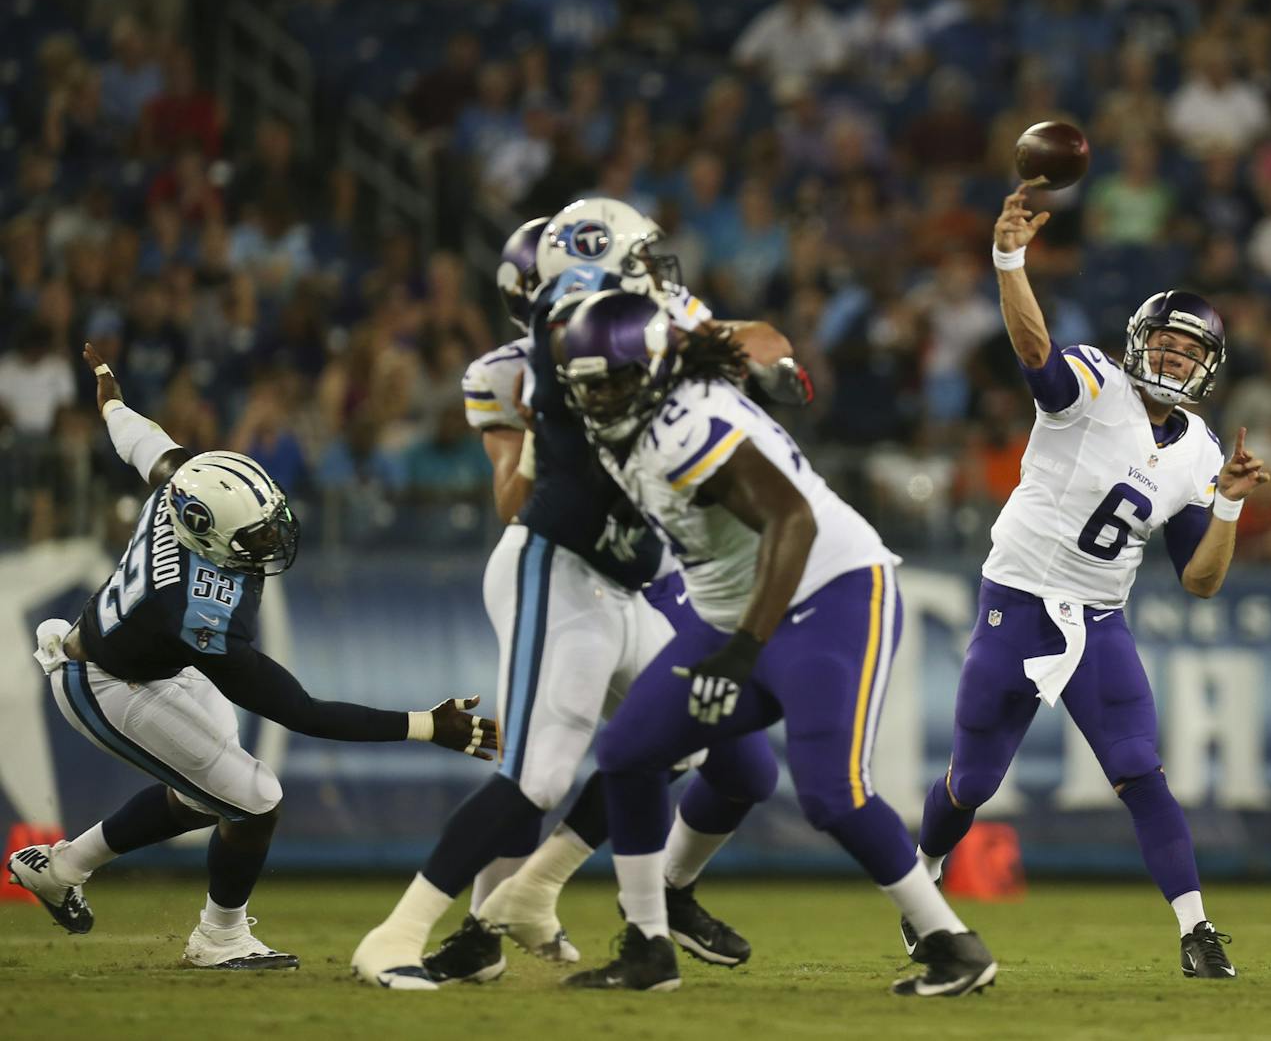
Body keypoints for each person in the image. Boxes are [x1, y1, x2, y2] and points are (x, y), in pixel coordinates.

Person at [352, 206, 790, 990]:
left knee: (679, 739)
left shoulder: (653, 319)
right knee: (539, 774)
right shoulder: (552, 342)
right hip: (556, 562)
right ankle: (397, 933)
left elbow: (755, 337)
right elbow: (517, 495)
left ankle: (531, 892)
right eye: (639, 262)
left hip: (629, 580)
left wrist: (745, 355)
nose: (660, 277)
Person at [554, 289, 996, 997]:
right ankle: (647, 944)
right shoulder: (639, 398)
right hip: (730, 606)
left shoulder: (682, 424)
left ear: (654, 370)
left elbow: (793, 520)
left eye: (614, 381)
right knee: (629, 753)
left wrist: (740, 650)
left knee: (833, 792)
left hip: (831, 591)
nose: (602, 398)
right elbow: (745, 338)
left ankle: (952, 944)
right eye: (590, 385)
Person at [6, 344, 496, 970]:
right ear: (207, 534)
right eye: (256, 536)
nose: (273, 539)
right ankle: (220, 938)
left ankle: (63, 868)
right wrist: (427, 725)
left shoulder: (185, 489)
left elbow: (144, 443)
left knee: (218, 791)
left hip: (146, 664)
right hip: (103, 682)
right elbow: (302, 712)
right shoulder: (193, 611)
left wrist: (111, 401)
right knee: (256, 795)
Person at [910, 183, 1271, 981]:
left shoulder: (1201, 454)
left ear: (1208, 367)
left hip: (1099, 618)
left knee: (1140, 769)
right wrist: (1010, 258)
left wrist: (1230, 511)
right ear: (1140, 343)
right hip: (1017, 598)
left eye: (1190, 352)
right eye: (1167, 345)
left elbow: (1202, 582)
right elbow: (1033, 346)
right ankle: (924, 882)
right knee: (971, 782)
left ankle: (1197, 929)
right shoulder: (1093, 384)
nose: (1176, 359)